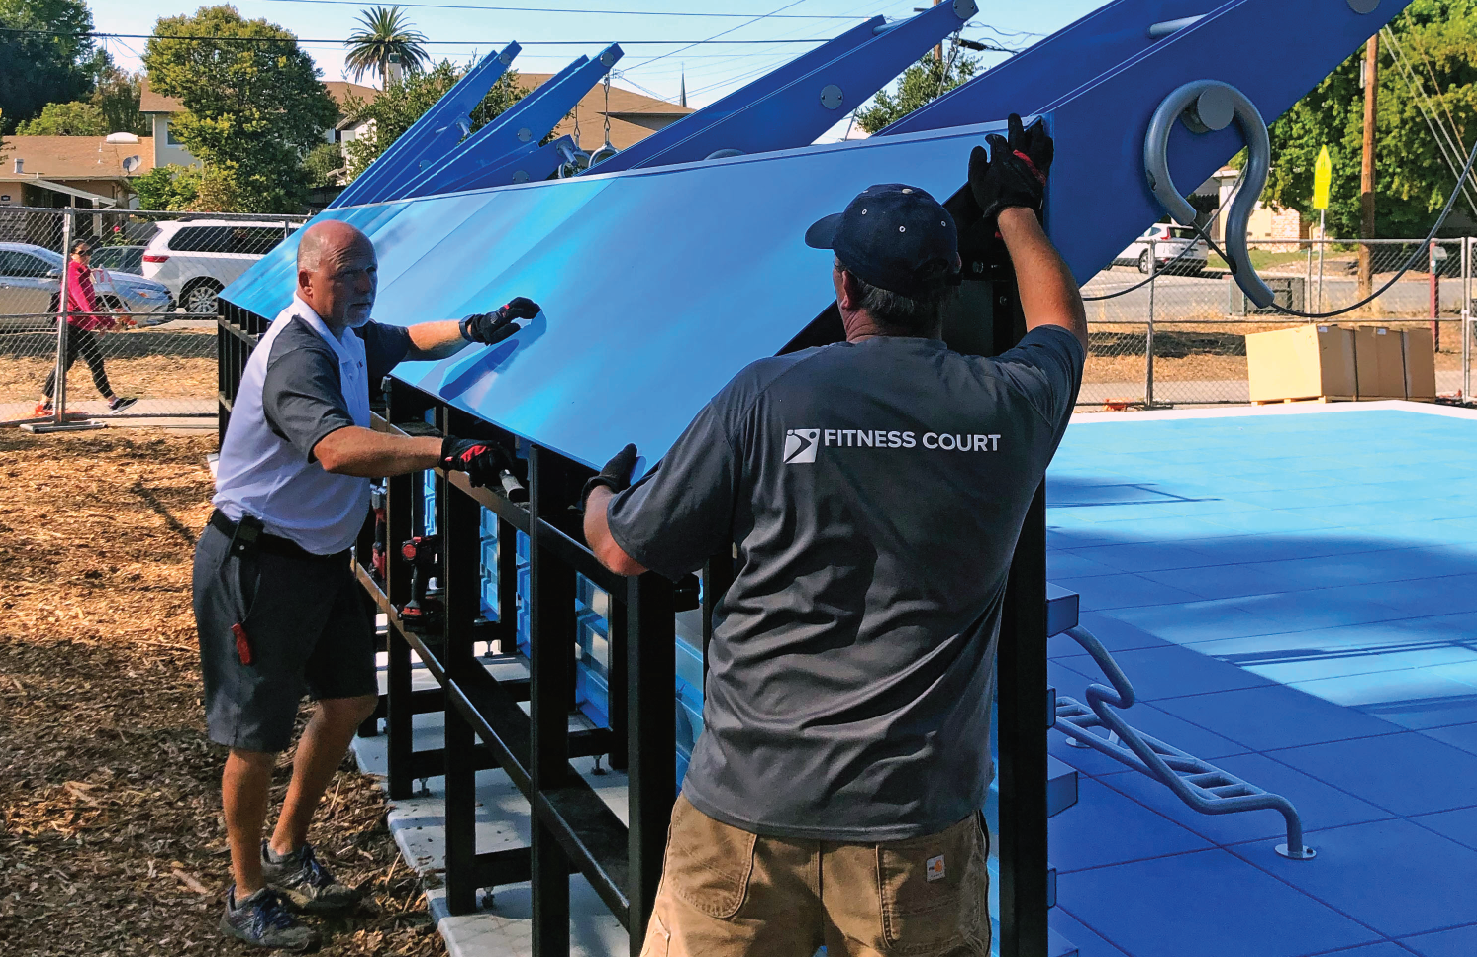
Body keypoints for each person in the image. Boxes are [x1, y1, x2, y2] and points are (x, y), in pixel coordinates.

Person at [581, 115, 1086, 957]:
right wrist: (1017, 206)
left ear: (843, 288)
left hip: (743, 814)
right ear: (947, 288)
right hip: (913, 822)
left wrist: (600, 491)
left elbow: (625, 550)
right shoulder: (1011, 406)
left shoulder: (767, 396)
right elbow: (1060, 326)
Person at [194, 218, 538, 950]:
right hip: (257, 564)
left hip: (318, 557)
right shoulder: (297, 353)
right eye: (347, 275)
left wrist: (480, 326)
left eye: (369, 274)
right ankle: (247, 888)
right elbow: (337, 448)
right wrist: (445, 449)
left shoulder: (345, 332)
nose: (362, 287)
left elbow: (409, 339)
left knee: (350, 700)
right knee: (256, 739)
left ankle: (287, 851)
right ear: (306, 280)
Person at [34, 240, 137, 416]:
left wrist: (98, 322)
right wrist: (109, 323)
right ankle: (44, 404)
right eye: (82, 253)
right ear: (72, 255)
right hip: (72, 326)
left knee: (94, 362)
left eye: (89, 253)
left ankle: (114, 401)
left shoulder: (83, 273)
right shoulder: (74, 274)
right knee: (65, 365)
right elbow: (86, 306)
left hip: (81, 326)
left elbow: (90, 304)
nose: (86, 256)